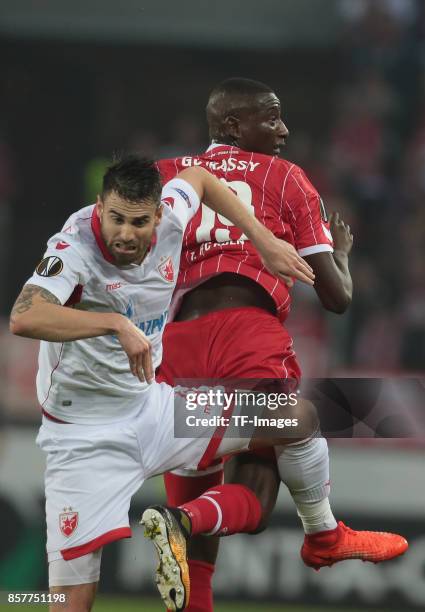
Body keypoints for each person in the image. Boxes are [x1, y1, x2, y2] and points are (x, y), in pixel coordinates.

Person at [9, 154, 317, 612]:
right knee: (71, 602)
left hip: (156, 412)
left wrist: (263, 238)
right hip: (84, 439)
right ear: (99, 207)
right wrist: (113, 323)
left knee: (297, 417)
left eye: (137, 222)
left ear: (159, 214)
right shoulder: (72, 246)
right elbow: (24, 315)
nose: (125, 234)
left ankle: (310, 531)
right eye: (114, 218)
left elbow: (201, 179)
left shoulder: (174, 213)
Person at [146, 78, 407, 612]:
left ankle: (184, 522)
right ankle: (324, 535)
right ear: (233, 126)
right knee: (289, 436)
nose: (284, 130)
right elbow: (335, 297)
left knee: (198, 557)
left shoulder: (165, 175)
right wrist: (345, 260)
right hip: (246, 335)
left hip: (175, 344)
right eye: (271, 118)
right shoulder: (286, 177)